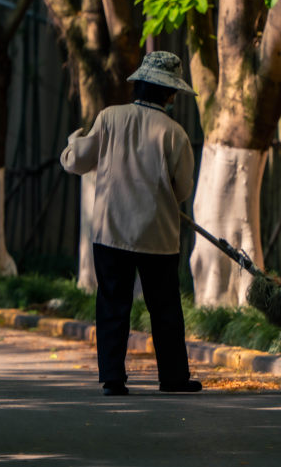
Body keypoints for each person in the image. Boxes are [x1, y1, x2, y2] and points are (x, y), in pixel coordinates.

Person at [60, 51, 202, 396]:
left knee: (112, 304)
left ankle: (112, 378)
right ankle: (173, 378)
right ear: (170, 94)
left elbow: (78, 161)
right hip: (159, 236)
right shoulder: (176, 134)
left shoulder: (109, 118)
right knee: (165, 307)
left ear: (138, 85)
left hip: (112, 232)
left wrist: (71, 144)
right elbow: (182, 189)